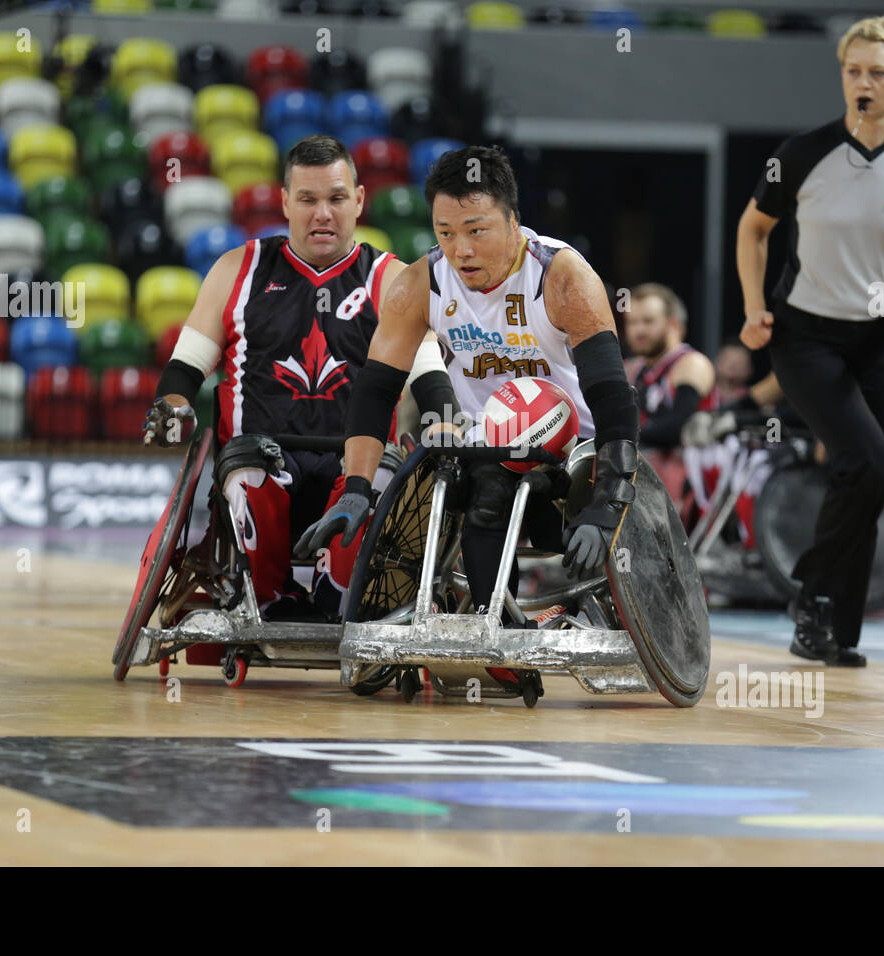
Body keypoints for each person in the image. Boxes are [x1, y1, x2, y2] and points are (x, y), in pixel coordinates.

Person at [294, 144, 640, 687]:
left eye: (476, 230)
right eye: (446, 231)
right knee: (441, 473)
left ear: (513, 221)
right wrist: (357, 488)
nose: (460, 249)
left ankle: (497, 629)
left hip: (574, 452)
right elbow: (374, 393)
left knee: (489, 485)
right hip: (482, 446)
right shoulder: (418, 284)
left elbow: (614, 396)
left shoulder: (563, 275)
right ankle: (473, 616)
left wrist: (610, 500)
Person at [142, 134, 442, 620]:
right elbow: (183, 371)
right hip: (260, 461)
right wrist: (172, 407)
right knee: (249, 473)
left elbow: (430, 376)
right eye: (308, 199)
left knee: (383, 488)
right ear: (285, 202)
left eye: (336, 198)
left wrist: (443, 420)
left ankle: (336, 598)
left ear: (359, 201)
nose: (322, 213)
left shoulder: (391, 279)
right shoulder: (236, 270)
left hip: (355, 468)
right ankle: (269, 599)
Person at [736, 15, 884, 666]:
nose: (863, 83)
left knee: (864, 475)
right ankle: (811, 596)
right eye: (852, 71)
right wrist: (753, 306)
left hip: (874, 341)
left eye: (877, 73)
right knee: (872, 465)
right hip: (804, 335)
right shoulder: (802, 153)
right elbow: (754, 229)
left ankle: (833, 626)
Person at [623, 282, 715, 511]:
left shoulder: (691, 363)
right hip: (645, 478)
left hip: (691, 483)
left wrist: (615, 437)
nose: (639, 331)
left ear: (673, 324)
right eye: (632, 322)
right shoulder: (632, 369)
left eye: (648, 321)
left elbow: (678, 427)